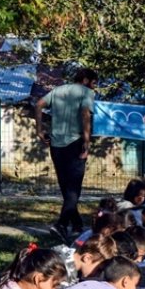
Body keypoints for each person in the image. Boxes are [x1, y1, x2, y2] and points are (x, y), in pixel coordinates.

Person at [36, 68, 99, 241]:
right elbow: (85, 114)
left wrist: (39, 130)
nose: (95, 88)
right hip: (75, 143)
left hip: (56, 144)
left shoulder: (58, 90)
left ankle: (77, 223)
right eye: (94, 83)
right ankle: (61, 224)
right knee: (74, 188)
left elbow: (39, 104)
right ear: (86, 80)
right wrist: (87, 141)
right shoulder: (86, 92)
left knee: (66, 188)